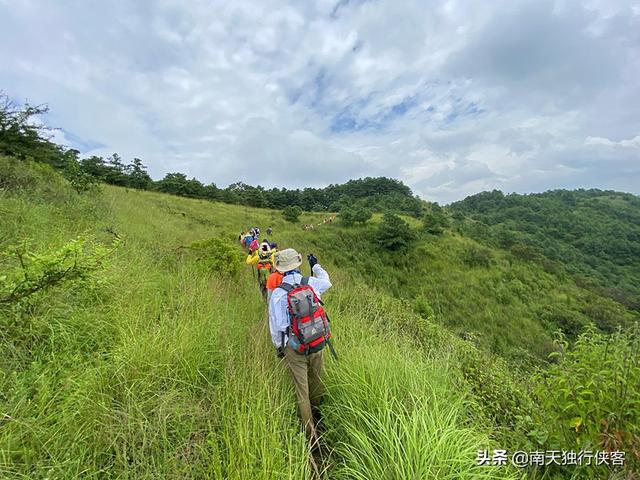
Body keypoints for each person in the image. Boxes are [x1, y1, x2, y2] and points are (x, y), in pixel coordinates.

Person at [268, 249, 331, 439]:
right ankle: (319, 414)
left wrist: (279, 348)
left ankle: (310, 434)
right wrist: (316, 266)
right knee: (317, 380)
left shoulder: (278, 294)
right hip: (317, 340)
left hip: (295, 347)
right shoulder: (311, 283)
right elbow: (327, 281)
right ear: (298, 264)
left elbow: (277, 326)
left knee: (301, 388)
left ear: (280, 270)